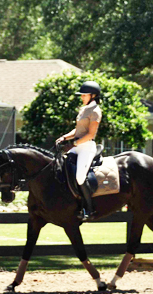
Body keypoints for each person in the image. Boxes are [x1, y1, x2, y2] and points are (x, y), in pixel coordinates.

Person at [55, 81, 103, 221]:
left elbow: (90, 134)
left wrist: (73, 143)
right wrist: (64, 137)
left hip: (86, 147)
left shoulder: (95, 111)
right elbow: (78, 130)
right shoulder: (84, 109)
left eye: (84, 95)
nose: (81, 97)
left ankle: (89, 209)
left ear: (93, 95)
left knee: (80, 177)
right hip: (76, 146)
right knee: (60, 168)